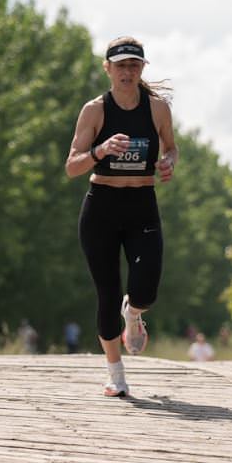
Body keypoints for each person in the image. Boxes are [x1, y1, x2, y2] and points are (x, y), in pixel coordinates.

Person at [65, 36, 178, 397]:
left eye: (134, 65)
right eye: (121, 65)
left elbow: (172, 147)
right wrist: (100, 149)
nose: (127, 71)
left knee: (146, 287)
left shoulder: (157, 108)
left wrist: (168, 162)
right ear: (108, 69)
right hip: (101, 206)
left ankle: (134, 313)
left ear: (143, 68)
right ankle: (116, 374)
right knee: (107, 291)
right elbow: (72, 167)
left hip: (142, 202)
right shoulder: (95, 111)